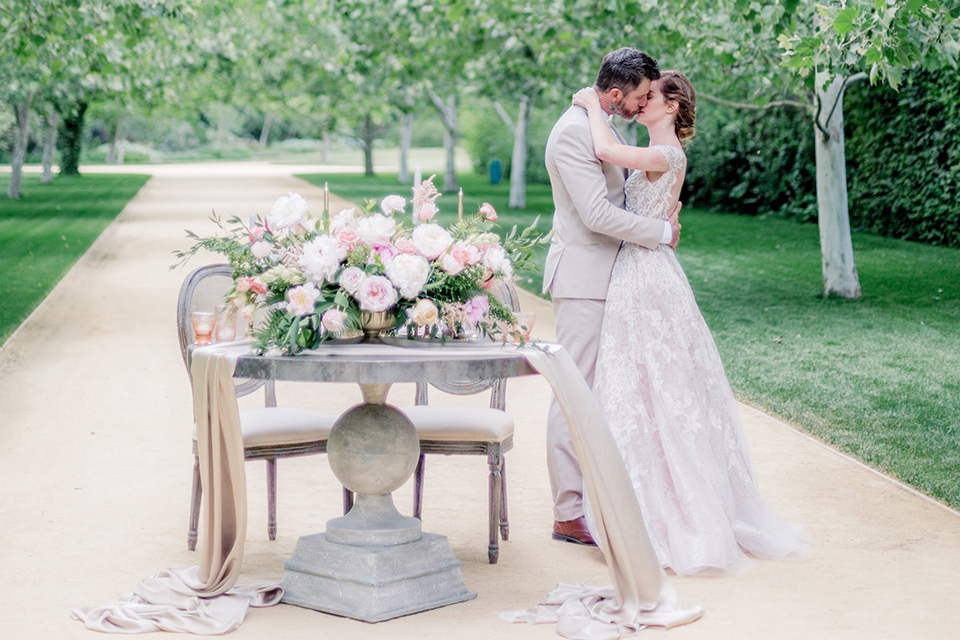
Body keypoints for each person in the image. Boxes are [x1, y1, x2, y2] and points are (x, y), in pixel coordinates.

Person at [572, 72, 811, 574]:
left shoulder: (667, 155)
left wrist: (591, 106)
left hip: (648, 278)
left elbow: (605, 152)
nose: (641, 104)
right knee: (640, 388)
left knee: (664, 387)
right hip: (638, 270)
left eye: (650, 96)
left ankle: (672, 516)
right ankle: (639, 506)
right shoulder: (658, 152)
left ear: (672, 104)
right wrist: (666, 227)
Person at [543, 47, 680, 546]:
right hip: (584, 280)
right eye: (641, 96)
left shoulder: (600, 124)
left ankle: (600, 501)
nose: (645, 104)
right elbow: (598, 216)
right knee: (574, 394)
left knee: (606, 394)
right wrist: (662, 233)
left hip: (613, 279)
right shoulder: (574, 131)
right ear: (617, 93)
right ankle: (567, 512)